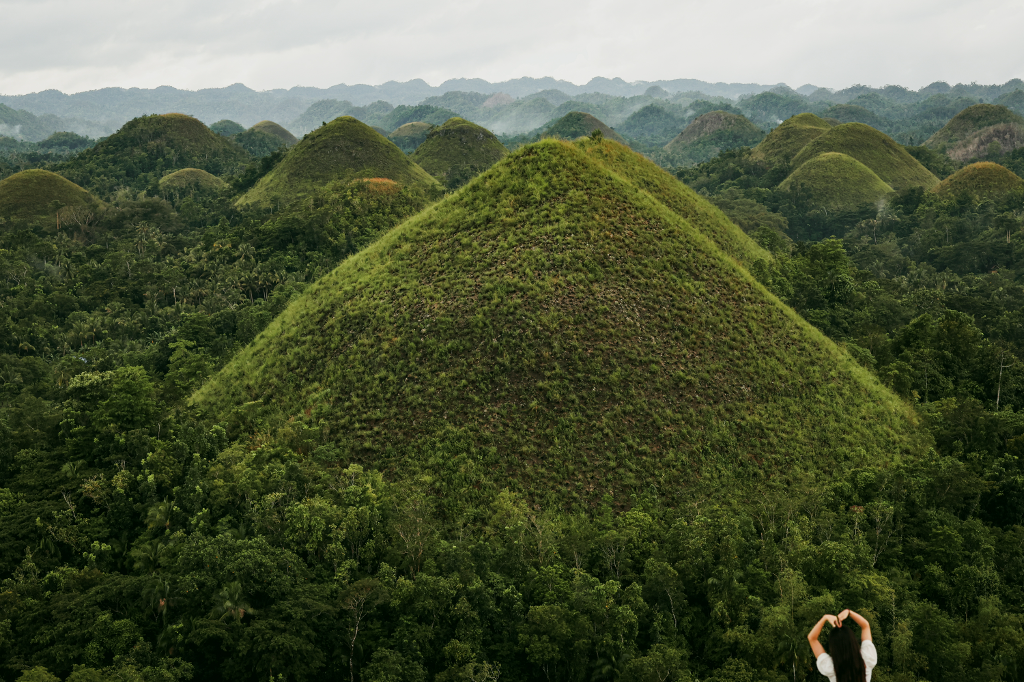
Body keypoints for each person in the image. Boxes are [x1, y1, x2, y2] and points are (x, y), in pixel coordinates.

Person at [806, 609, 878, 682]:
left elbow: (812, 638)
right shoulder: (867, 658)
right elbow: (865, 625)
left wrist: (825, 618)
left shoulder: (830, 666)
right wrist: (849, 612)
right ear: (852, 640)